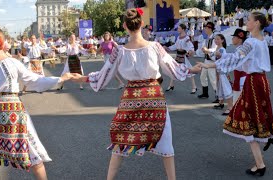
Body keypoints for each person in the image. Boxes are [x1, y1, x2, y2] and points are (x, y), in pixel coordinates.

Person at [71, 8, 201, 180]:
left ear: (125, 25)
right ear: (141, 24)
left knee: (121, 139)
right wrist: (192, 69)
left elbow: (104, 76)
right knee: (165, 141)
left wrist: (83, 78)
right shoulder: (155, 47)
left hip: (131, 99)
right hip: (154, 97)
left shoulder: (119, 51)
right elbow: (173, 69)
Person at [0, 27, 74, 180]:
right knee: (34, 155)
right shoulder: (12, 63)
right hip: (12, 111)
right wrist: (60, 79)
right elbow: (34, 81)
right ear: (3, 43)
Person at [197, 12, 273, 176]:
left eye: (249, 20)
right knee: (254, 116)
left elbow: (234, 59)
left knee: (246, 118)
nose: (246, 22)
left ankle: (260, 163)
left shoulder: (251, 42)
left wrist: (210, 66)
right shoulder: (262, 42)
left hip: (254, 83)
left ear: (256, 23)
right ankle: (264, 142)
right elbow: (236, 58)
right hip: (262, 81)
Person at [203, 34, 232, 115]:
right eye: (215, 39)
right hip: (218, 71)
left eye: (218, 39)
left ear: (222, 40)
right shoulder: (217, 48)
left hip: (223, 72)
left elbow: (218, 54)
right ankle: (221, 102)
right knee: (220, 87)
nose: (216, 41)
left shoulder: (222, 49)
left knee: (226, 89)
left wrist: (208, 51)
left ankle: (230, 107)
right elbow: (214, 57)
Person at [164, 24, 197, 94]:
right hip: (178, 56)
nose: (178, 29)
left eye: (179, 28)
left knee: (189, 71)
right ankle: (171, 85)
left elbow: (190, 46)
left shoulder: (187, 38)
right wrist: (168, 48)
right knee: (174, 70)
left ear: (183, 29)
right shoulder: (179, 37)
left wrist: (190, 51)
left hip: (183, 57)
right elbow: (176, 46)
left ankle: (194, 87)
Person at [198, 22, 218, 103]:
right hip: (206, 60)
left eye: (206, 28)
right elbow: (203, 47)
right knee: (202, 76)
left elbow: (214, 49)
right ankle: (205, 93)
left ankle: (218, 96)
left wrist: (207, 50)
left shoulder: (214, 38)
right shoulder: (207, 38)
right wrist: (202, 50)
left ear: (209, 28)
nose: (205, 29)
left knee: (213, 78)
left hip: (212, 61)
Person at [230, 29, 248, 103]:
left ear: (240, 40)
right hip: (239, 77)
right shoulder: (238, 49)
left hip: (242, 78)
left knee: (239, 102)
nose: (232, 39)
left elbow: (237, 63)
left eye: (234, 37)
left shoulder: (241, 50)